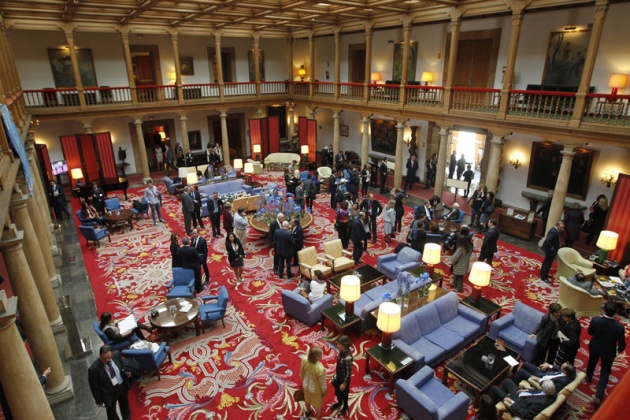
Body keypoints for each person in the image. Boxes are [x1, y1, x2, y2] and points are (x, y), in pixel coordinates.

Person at [586, 301, 626, 407]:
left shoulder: (596, 320)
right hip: (608, 351)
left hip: (595, 346)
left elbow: (590, 332)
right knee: (605, 372)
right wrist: (620, 350)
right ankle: (599, 396)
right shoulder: (619, 327)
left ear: (604, 310)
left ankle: (588, 376)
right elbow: (621, 344)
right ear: (615, 312)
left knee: (592, 362)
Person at [88, 345, 132, 420]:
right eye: (105, 359)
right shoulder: (94, 369)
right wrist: (98, 401)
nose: (108, 360)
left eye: (109, 357)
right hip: (109, 392)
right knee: (111, 412)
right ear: (100, 356)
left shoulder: (116, 354)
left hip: (121, 386)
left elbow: (122, 366)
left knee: (125, 405)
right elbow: (94, 387)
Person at [489, 378, 556, 420]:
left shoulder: (540, 403)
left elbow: (526, 415)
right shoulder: (552, 393)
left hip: (516, 402)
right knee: (507, 381)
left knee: (494, 388)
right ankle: (498, 400)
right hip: (521, 395)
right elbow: (537, 393)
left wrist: (512, 402)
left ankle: (489, 410)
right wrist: (527, 390)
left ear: (543, 388)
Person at [299, 346, 327, 420]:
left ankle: (308, 411)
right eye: (321, 354)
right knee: (318, 406)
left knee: (307, 399)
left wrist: (303, 381)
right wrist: (324, 392)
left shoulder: (304, 360)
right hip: (316, 390)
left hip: (305, 385)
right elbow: (322, 383)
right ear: (317, 358)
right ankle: (318, 418)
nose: (322, 355)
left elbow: (302, 372)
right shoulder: (321, 369)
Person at [331, 335, 353, 415]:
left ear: (344, 345)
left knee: (344, 393)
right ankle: (339, 403)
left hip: (344, 379)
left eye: (339, 344)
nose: (337, 346)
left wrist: (344, 383)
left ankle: (345, 406)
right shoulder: (341, 352)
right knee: (337, 391)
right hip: (339, 375)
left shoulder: (348, 358)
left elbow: (349, 372)